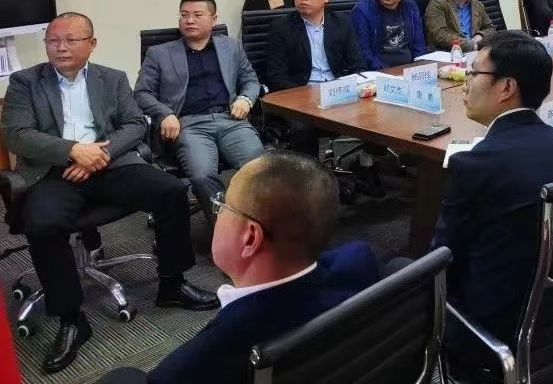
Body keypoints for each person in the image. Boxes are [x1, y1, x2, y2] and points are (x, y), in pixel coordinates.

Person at [1, 13, 217, 375]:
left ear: (92, 44)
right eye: (53, 40)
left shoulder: (112, 78)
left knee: (170, 190)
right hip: (55, 172)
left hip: (110, 163)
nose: (61, 47)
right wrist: (74, 151)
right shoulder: (25, 82)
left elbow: (134, 124)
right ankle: (71, 318)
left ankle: (172, 284)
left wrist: (97, 156)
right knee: (43, 224)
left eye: (70, 40)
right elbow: (18, 135)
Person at [94, 154, 380, 384]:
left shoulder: (221, 345)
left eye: (222, 206)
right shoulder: (359, 261)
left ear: (250, 238)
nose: (217, 212)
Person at [432, 31, 553, 367]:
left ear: (506, 87)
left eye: (474, 73)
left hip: (495, 333)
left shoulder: (475, 164)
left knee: (398, 269)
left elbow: (441, 261)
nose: (465, 83)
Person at [135, 0, 265, 227]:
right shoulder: (159, 53)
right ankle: (226, 230)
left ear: (214, 19)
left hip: (230, 119)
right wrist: (165, 114)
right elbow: (142, 93)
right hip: (188, 124)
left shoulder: (231, 46)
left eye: (197, 15)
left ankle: (261, 224)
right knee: (203, 176)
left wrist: (245, 99)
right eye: (184, 15)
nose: (189, 20)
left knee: (260, 169)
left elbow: (250, 80)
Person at [266, 0, 364, 158]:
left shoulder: (341, 23)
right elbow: (276, 77)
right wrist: (310, 96)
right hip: (301, 98)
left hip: (338, 93)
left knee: (375, 111)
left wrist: (344, 89)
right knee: (303, 127)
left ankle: (368, 165)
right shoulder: (281, 27)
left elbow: (358, 66)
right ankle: (310, 173)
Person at [350, 0, 427, 69]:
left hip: (411, 69)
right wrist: (389, 73)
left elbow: (419, 45)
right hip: (380, 72)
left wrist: (420, 67)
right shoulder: (362, 10)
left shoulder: (410, 6)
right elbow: (364, 53)